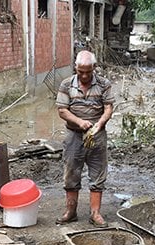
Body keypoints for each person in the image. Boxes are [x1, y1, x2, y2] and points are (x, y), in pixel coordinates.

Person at [55, 50, 114, 227]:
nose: (85, 75)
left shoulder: (104, 84)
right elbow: (62, 110)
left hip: (97, 135)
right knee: (71, 172)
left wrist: (99, 124)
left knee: (97, 172)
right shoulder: (66, 85)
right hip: (73, 135)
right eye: (81, 71)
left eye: (88, 71)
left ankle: (95, 213)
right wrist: (80, 122)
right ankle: (71, 212)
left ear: (94, 68)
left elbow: (108, 108)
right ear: (76, 68)